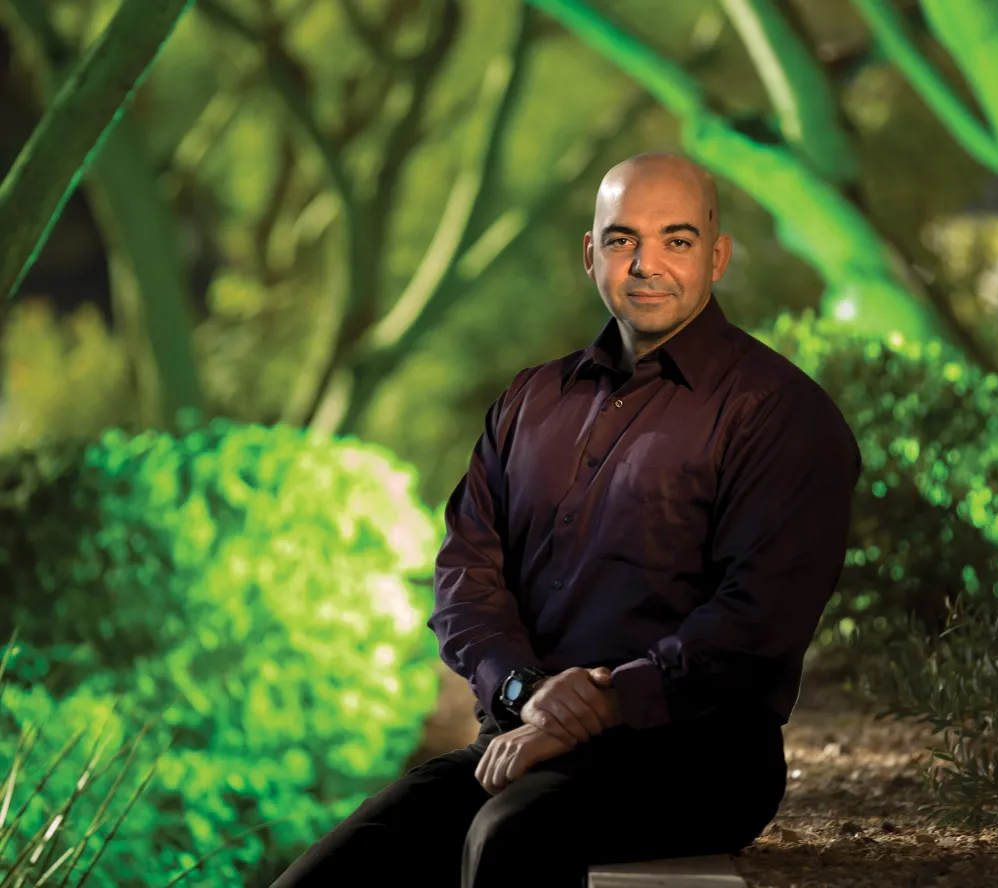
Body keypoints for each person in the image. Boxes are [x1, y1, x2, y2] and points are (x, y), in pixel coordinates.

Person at [270, 151, 862, 888]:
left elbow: (755, 620)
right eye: (623, 240)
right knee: (329, 873)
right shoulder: (530, 402)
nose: (647, 263)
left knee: (510, 839)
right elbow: (464, 581)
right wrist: (526, 692)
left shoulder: (779, 414)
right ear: (592, 255)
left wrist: (608, 701)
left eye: (676, 240)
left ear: (717, 256)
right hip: (524, 734)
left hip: (697, 755)